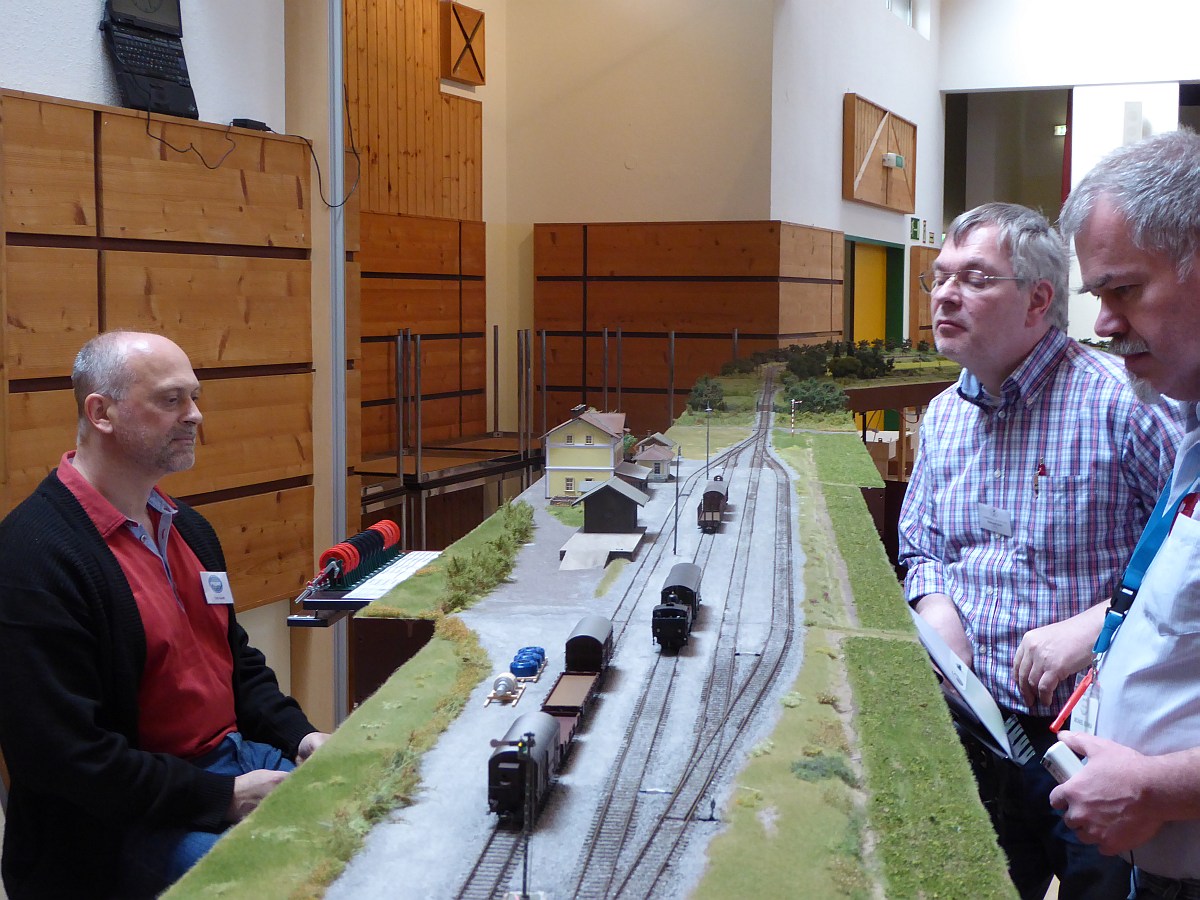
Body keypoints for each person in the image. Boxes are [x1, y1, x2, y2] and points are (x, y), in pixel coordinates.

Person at [898, 202, 1182, 899]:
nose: (945, 295)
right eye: (940, 277)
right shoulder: (943, 417)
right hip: (975, 729)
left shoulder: (1128, 404)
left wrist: (1099, 626)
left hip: (1090, 744)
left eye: (975, 278)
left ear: (1038, 299)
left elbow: (1187, 556)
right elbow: (921, 546)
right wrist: (936, 608)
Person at [0, 331, 330, 899]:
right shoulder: (33, 557)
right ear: (101, 413)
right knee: (305, 882)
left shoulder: (188, 528)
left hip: (236, 762)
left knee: (387, 823)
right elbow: (66, 759)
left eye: (194, 397)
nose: (195, 415)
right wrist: (223, 798)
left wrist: (300, 737)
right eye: (171, 400)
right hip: (117, 823)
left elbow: (236, 664)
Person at [1051, 129, 1200, 899]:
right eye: (1097, 296)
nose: (1104, 323)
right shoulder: (1191, 424)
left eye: (1125, 291)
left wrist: (1156, 788)